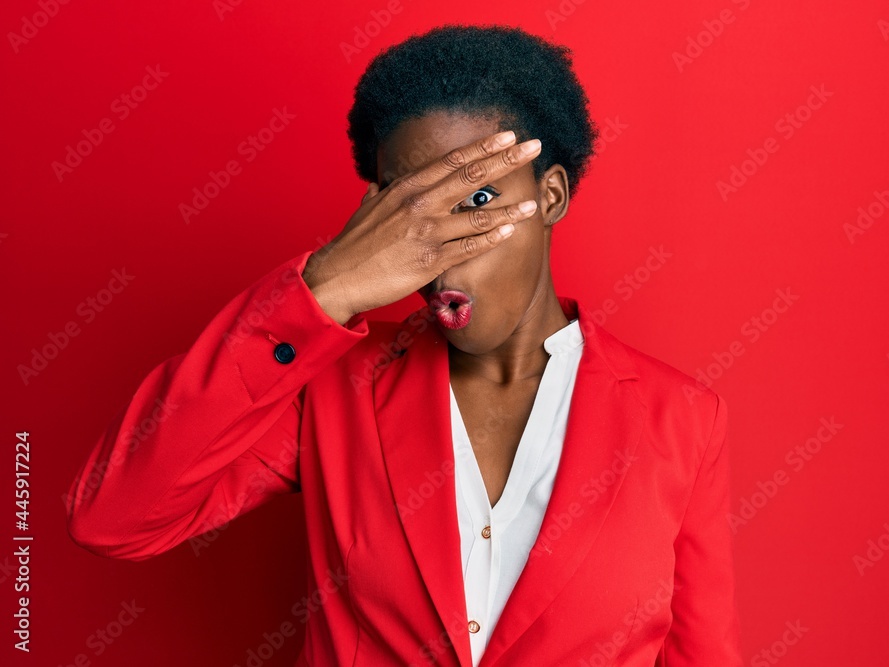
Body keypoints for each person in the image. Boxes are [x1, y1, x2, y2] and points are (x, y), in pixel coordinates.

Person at [65, 23, 742, 667]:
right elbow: (113, 516)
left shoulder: (681, 421)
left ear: (552, 194)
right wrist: (325, 288)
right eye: (411, 211)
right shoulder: (332, 387)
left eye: (477, 198)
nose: (439, 250)